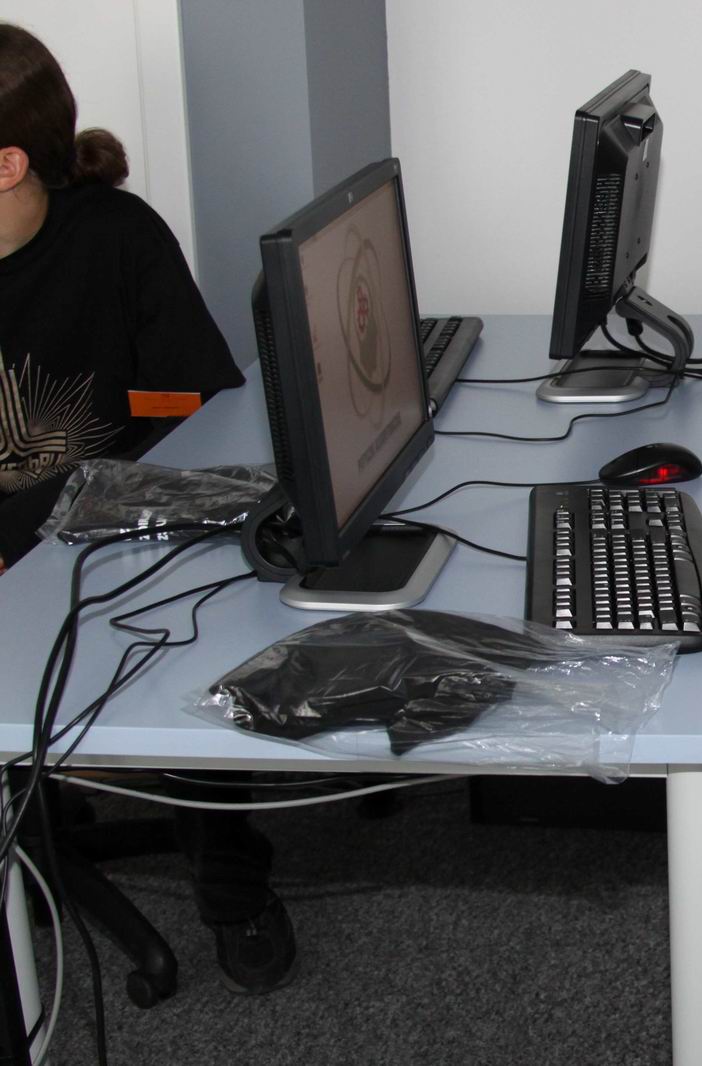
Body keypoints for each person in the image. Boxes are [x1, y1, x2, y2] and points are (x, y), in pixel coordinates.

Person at [0, 22, 297, 994]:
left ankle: (230, 882)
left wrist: (62, 525)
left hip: (109, 536)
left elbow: (209, 417)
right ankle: (32, 830)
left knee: (191, 633)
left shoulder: (116, 239)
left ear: (8, 164)